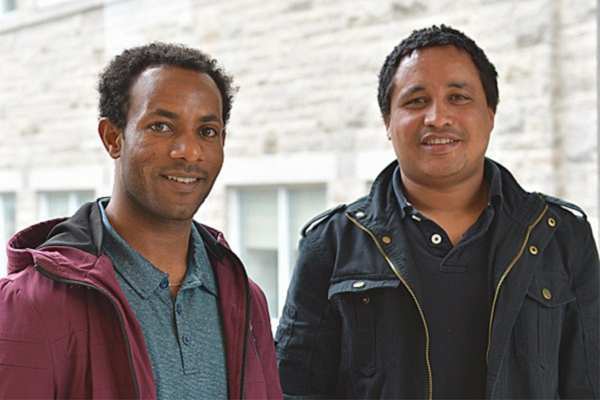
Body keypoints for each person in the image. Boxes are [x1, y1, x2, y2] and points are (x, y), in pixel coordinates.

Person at [276, 25, 599, 399]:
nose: (437, 117)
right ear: (388, 121)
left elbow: (588, 386)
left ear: (491, 114)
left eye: (458, 97)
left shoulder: (561, 236)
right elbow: (294, 391)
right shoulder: (331, 245)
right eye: (416, 101)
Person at [0, 43, 282, 399]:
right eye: (161, 126)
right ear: (113, 138)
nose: (189, 151)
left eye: (207, 131)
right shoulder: (28, 304)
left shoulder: (247, 300)